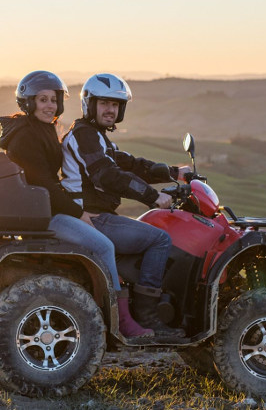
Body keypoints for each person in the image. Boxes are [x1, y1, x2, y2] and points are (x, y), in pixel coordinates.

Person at [0, 70, 152, 338]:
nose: (50, 106)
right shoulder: (25, 137)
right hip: (47, 214)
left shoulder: (39, 129)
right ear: (29, 103)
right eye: (42, 100)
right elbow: (45, 183)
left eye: (54, 100)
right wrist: (79, 214)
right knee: (103, 246)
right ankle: (121, 320)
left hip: (46, 209)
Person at [61, 73, 186, 336]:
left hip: (96, 215)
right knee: (160, 240)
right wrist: (153, 197)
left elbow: (130, 164)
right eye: (104, 103)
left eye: (115, 105)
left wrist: (173, 173)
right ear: (90, 104)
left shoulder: (96, 136)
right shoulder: (84, 135)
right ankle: (148, 315)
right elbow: (109, 176)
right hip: (92, 218)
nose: (110, 110)